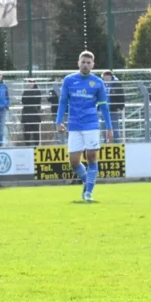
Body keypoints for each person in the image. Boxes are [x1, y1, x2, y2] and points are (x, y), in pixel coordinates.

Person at [57, 50, 114, 202]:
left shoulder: (98, 82)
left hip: (91, 124)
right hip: (74, 125)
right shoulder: (69, 80)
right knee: (74, 162)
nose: (85, 65)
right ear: (78, 63)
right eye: (83, 62)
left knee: (91, 157)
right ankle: (87, 182)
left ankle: (88, 192)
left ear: (93, 65)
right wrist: (58, 121)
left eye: (88, 63)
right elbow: (63, 102)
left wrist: (109, 128)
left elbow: (104, 107)